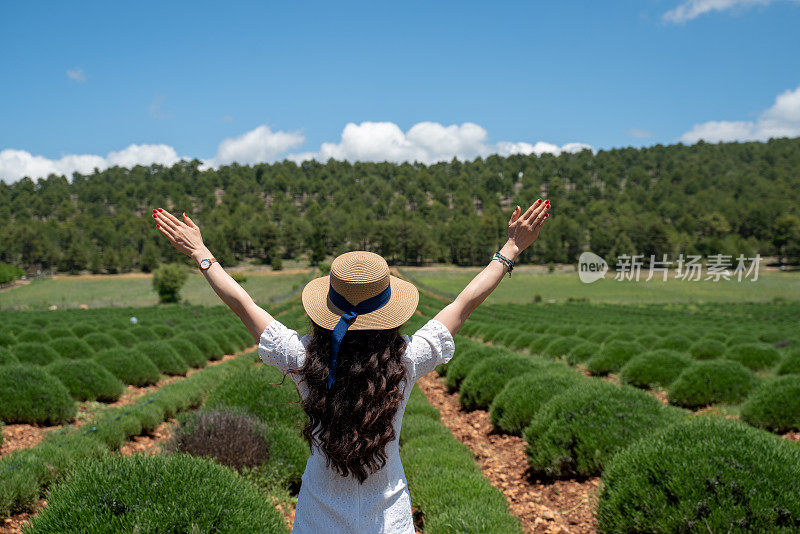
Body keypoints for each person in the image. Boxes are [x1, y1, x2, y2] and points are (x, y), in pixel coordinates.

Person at [151, 198, 550, 533]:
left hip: (318, 518)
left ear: (327, 305)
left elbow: (243, 304)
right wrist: (510, 250)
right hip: (388, 519)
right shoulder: (406, 361)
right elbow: (462, 305)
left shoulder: (303, 358)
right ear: (390, 311)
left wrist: (202, 254)